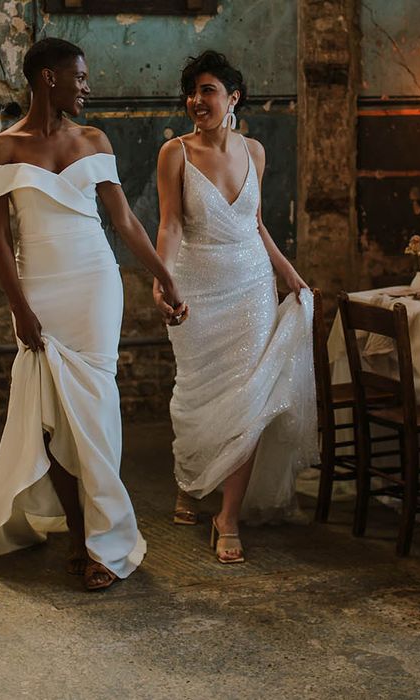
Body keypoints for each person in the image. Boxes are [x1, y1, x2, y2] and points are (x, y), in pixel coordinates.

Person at [0, 38, 184, 590]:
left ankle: (107, 544)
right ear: (49, 78)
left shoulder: (94, 139)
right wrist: (19, 308)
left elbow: (125, 223)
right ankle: (79, 533)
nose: (88, 87)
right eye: (80, 77)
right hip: (38, 287)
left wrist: (164, 275)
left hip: (94, 284)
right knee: (51, 420)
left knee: (93, 412)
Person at [154, 50, 318, 564]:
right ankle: (192, 479)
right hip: (197, 290)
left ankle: (227, 516)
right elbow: (171, 226)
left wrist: (287, 273)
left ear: (232, 97)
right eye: (193, 91)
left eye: (208, 90)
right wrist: (162, 281)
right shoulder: (174, 154)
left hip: (250, 289)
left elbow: (256, 223)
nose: (196, 100)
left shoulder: (256, 151)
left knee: (247, 401)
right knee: (197, 399)